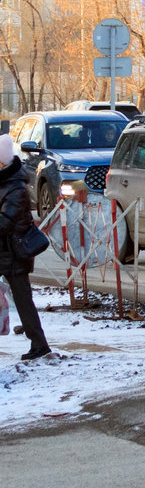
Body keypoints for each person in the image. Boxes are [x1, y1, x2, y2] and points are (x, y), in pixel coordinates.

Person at [0, 134, 51, 362]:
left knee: (23, 300)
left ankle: (39, 344)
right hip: (5, 252)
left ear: (2, 161)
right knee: (23, 300)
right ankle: (39, 343)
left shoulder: (16, 189)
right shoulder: (5, 183)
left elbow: (4, 223)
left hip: (14, 254)